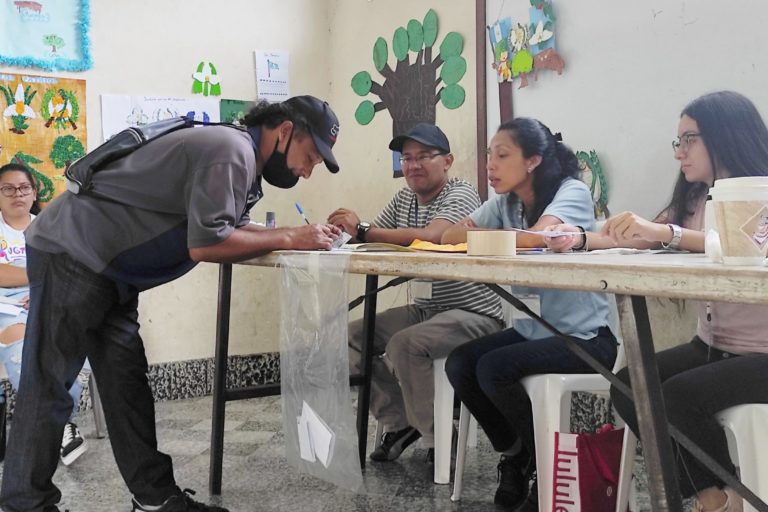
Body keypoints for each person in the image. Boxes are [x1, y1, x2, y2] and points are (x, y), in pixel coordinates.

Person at [0, 95, 343, 512]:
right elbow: (206, 243)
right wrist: (291, 237)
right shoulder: (230, 150)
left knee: (127, 384)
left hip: (111, 271)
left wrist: (289, 234)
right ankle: (25, 504)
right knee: (50, 381)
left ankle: (154, 499)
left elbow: (224, 224)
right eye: (309, 157)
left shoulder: (238, 155)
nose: (306, 172)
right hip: (74, 253)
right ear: (286, 131)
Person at [546, 90, 768, 512]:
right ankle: (719, 494)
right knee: (631, 385)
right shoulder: (693, 198)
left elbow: (746, 248)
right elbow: (637, 237)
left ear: (725, 136)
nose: (679, 154)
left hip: (761, 355)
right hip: (711, 348)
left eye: (689, 140)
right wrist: (577, 238)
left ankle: (715, 498)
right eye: (677, 142)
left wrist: (670, 234)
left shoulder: (760, 193)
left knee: (679, 396)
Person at [442, 118, 617, 511]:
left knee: (492, 369)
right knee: (460, 364)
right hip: (533, 331)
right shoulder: (506, 203)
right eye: (490, 155)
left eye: (502, 156)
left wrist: (490, 236)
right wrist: (498, 235)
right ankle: (516, 453)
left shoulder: (570, 192)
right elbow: (449, 236)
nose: (490, 165)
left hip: (586, 339)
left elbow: (542, 237)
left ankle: (544, 462)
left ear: (534, 160)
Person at [327, 123, 504, 462]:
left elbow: (434, 236)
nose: (413, 165)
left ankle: (440, 443)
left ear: (448, 161)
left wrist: (363, 228)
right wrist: (337, 235)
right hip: (428, 310)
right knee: (348, 337)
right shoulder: (404, 198)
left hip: (475, 314)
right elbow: (376, 240)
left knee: (405, 344)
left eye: (424, 156)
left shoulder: (462, 193)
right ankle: (401, 422)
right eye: (406, 158)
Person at [0, 163, 91, 467]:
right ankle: (61, 426)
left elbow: (68, 272)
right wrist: (39, 276)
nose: (18, 194)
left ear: (34, 191)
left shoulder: (48, 226)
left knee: (59, 349)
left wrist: (40, 288)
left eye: (24, 187)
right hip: (5, 309)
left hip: (45, 303)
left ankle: (55, 426)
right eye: (8, 188)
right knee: (26, 352)